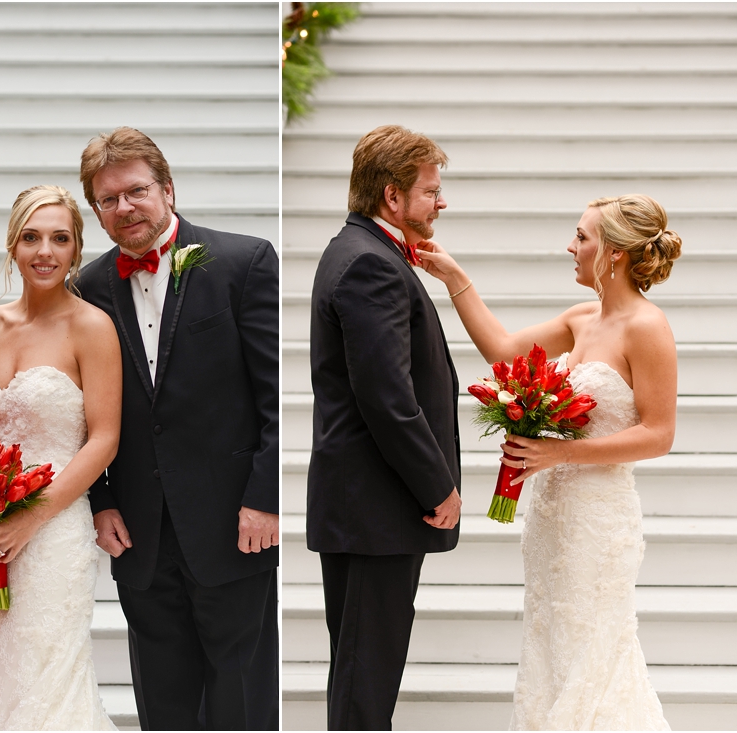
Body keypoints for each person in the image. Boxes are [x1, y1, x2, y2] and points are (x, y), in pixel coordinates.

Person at [417, 193, 680, 730]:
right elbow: (502, 349)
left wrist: (560, 452)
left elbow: (658, 434)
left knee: (596, 653)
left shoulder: (647, 328)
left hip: (598, 521)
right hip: (551, 517)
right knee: (552, 646)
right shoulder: (583, 318)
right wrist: (452, 276)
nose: (571, 245)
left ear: (616, 254)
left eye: (582, 237)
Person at [77, 127, 279, 731]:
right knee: (162, 698)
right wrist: (103, 499)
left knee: (241, 690)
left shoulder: (244, 261)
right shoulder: (87, 287)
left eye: (135, 191)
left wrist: (264, 499)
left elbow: (271, 394)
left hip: (232, 521)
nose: (124, 208)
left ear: (167, 188)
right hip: (140, 530)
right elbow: (82, 413)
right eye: (108, 200)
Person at [307, 124, 463, 730]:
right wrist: (437, 485)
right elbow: (387, 398)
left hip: (364, 508)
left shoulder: (360, 252)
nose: (440, 201)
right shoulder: (370, 264)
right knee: (364, 689)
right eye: (430, 190)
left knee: (360, 678)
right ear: (393, 197)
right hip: (376, 509)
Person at [0, 185, 122, 730]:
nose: (44, 251)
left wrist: (31, 516)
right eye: (31, 237)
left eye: (59, 238)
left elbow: (103, 438)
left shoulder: (92, 327)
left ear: (77, 249)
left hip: (52, 530)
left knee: (49, 679)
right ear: (12, 245)